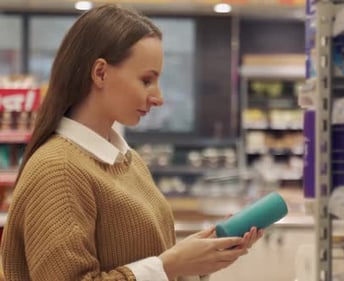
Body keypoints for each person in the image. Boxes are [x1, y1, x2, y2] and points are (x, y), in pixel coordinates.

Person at [0, 4, 263, 281]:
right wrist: (168, 266)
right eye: (146, 80)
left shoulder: (128, 160)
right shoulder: (58, 170)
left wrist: (196, 260)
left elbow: (146, 261)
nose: (158, 97)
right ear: (100, 73)